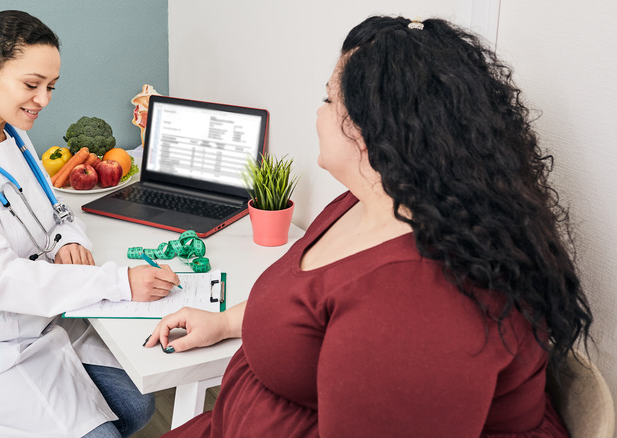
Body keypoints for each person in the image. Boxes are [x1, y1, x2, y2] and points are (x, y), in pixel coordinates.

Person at [144, 16, 594, 437]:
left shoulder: (418, 307)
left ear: (366, 129)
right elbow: (306, 302)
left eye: (328, 99)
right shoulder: (369, 201)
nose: (318, 114)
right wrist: (224, 322)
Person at [0, 10, 180, 438]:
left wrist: (65, 238)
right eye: (32, 85)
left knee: (136, 405)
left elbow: (55, 208)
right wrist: (120, 283)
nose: (44, 99)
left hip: (43, 320)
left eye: (50, 87)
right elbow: (2, 281)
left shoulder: (11, 133)